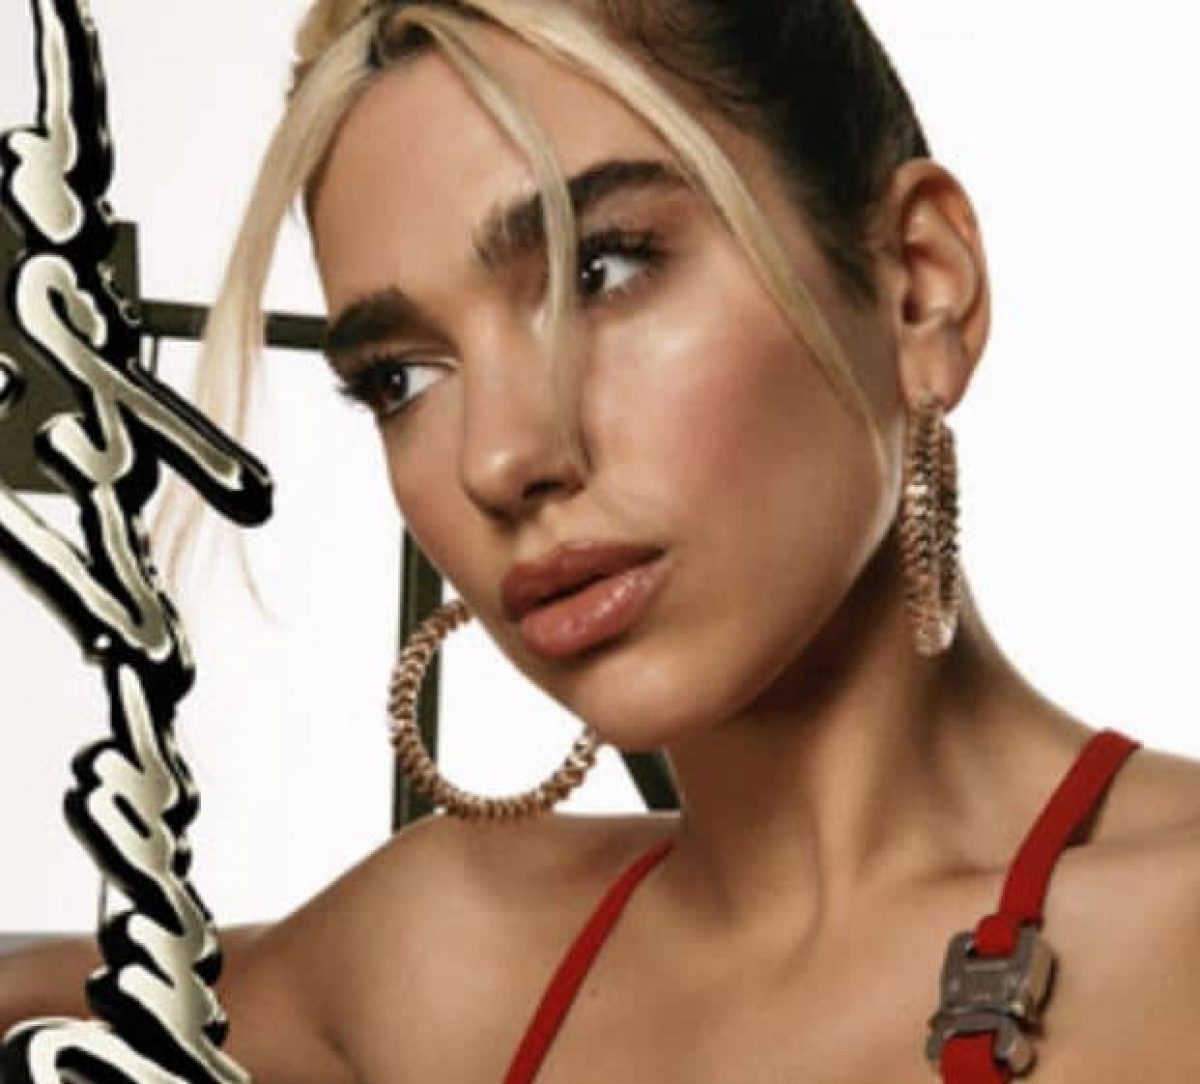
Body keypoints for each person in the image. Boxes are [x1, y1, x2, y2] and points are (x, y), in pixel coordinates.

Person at [4, 1, 1200, 1081]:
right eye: (401, 376)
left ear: (920, 289)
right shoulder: (449, 961)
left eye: (604, 269)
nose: (498, 458)